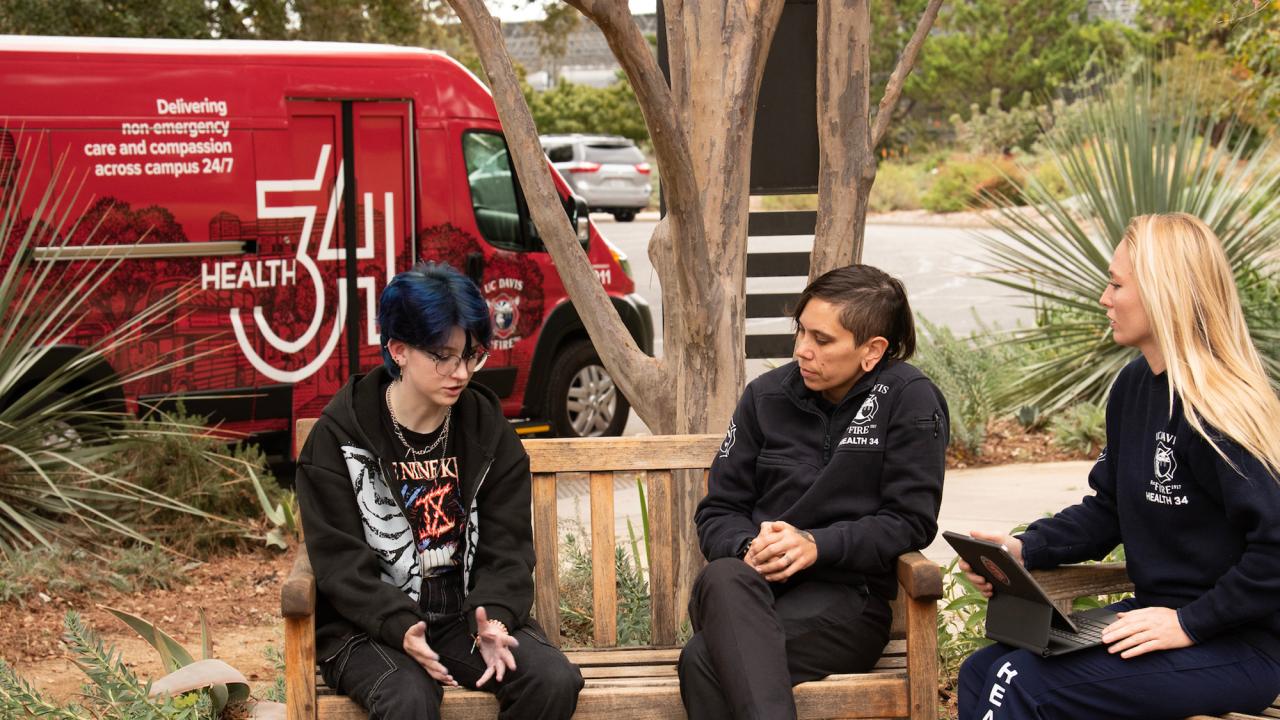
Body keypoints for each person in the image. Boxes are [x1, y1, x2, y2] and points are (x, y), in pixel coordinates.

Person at [957, 213, 1280, 719]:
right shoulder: (1134, 387)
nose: (1104, 298)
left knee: (1021, 684)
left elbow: (1276, 551)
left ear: (1162, 292)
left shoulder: (1220, 409)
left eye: (1116, 283)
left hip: (1242, 644)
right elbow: (1108, 508)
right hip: (1156, 621)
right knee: (981, 671)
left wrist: (1190, 623)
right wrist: (1024, 549)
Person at [295, 262, 583, 719]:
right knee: (408, 698)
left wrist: (495, 619)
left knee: (552, 680)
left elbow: (507, 550)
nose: (461, 372)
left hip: (464, 618)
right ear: (399, 349)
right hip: (367, 627)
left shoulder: (487, 431)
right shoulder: (338, 439)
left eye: (470, 355)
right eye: (443, 356)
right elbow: (339, 565)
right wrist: (399, 624)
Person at [679, 264, 950, 720]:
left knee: (703, 660)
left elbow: (910, 520)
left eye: (822, 341)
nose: (803, 350)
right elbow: (719, 510)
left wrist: (815, 545)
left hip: (848, 601)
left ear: (872, 350)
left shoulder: (908, 400)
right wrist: (749, 547)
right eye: (801, 331)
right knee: (723, 576)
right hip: (747, 590)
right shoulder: (765, 397)